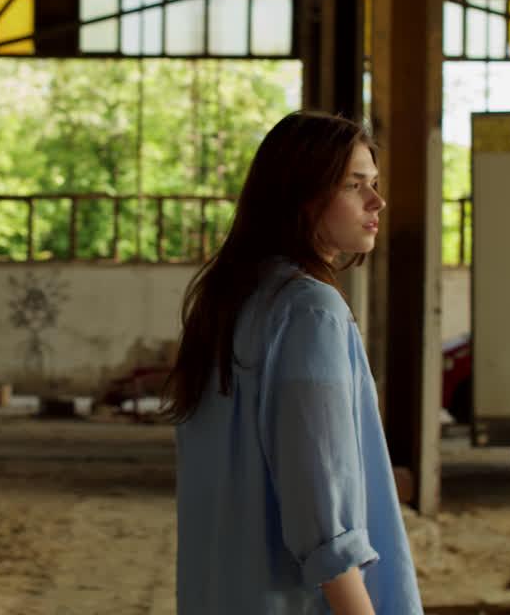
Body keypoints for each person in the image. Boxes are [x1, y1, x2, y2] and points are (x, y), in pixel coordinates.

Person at [163, 111, 423, 615]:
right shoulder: (310, 311)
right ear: (300, 195)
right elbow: (324, 523)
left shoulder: (225, 302)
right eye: (354, 185)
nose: (377, 201)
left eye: (373, 183)